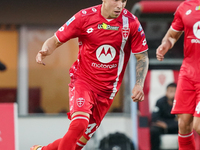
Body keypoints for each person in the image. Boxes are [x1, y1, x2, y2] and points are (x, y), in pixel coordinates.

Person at [31, 0, 149, 150]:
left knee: (78, 143)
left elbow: (142, 56)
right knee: (79, 123)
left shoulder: (131, 22)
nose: (120, 5)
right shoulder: (84, 17)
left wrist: (139, 84)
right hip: (83, 81)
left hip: (108, 91)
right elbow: (55, 40)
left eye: (123, 1)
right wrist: (45, 50)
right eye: (116, 0)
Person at [156, 0, 200, 149]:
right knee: (183, 124)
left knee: (198, 125)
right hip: (188, 73)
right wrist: (165, 45)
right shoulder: (185, 6)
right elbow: (172, 36)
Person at [150, 83, 178, 150]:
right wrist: (164, 124)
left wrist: (169, 125)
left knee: (185, 129)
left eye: (174, 91)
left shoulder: (181, 102)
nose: (172, 94)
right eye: (170, 91)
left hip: (175, 126)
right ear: (166, 92)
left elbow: (182, 119)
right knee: (154, 130)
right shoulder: (160, 102)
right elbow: (155, 118)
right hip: (162, 126)